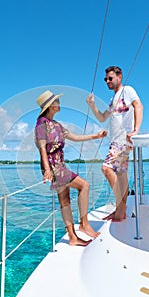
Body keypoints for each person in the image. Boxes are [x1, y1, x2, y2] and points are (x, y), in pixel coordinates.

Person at [35, 90, 107, 246]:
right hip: (54, 167)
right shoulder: (42, 124)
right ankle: (84, 224)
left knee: (65, 201)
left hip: (60, 165)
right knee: (84, 186)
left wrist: (96, 136)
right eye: (56, 101)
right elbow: (42, 148)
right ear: (50, 106)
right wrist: (47, 170)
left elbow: (75, 137)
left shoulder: (57, 125)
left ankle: (73, 237)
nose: (59, 103)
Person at [86, 66, 143, 221]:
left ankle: (121, 207)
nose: (107, 81)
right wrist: (92, 105)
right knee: (121, 175)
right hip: (115, 141)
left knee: (106, 169)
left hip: (123, 140)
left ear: (119, 77)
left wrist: (136, 130)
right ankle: (121, 211)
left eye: (110, 78)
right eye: (106, 79)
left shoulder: (128, 91)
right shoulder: (113, 99)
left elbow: (139, 106)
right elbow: (102, 117)